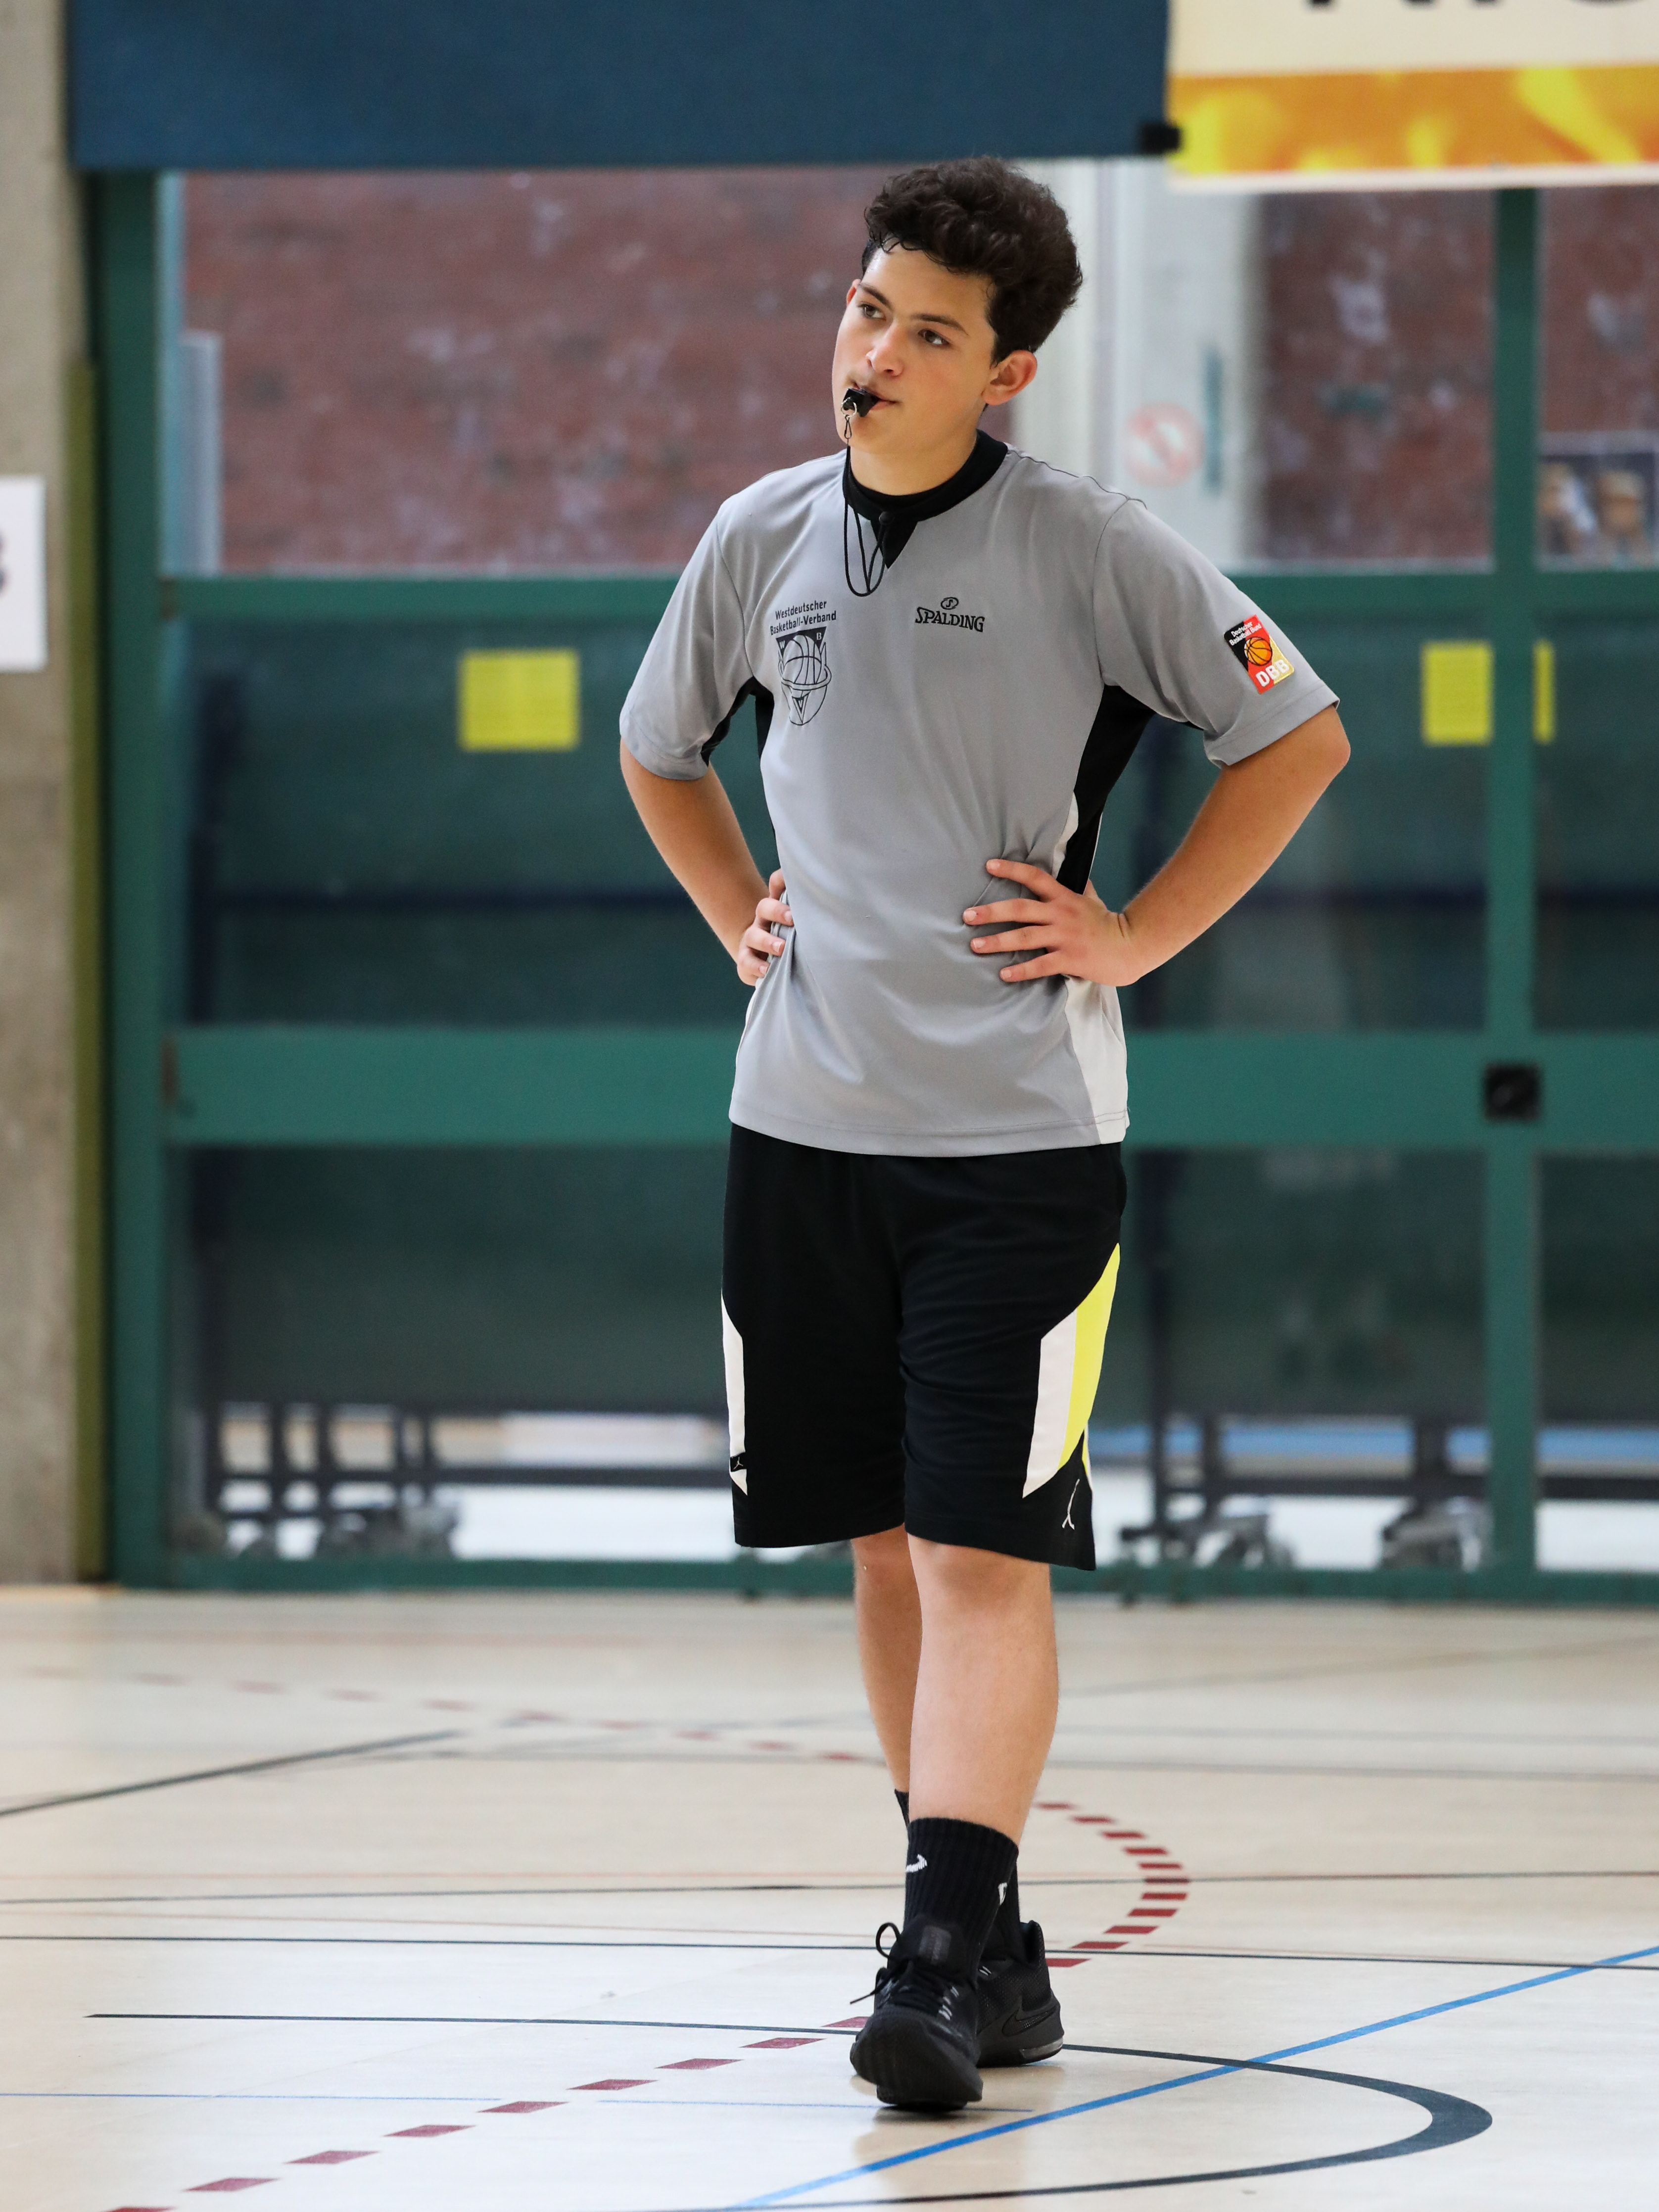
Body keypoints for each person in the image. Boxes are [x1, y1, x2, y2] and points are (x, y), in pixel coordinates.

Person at [619, 156, 1348, 2113]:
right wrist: (738, 915)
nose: (872, 352)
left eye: (927, 333)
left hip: (1017, 1152)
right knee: (879, 1547)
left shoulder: (1092, 547)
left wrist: (1134, 934)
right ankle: (989, 1936)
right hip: (797, 1136)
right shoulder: (756, 536)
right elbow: (657, 750)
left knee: (976, 1554)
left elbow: (1297, 734)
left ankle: (938, 1954)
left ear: (1002, 371)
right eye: (867, 308)